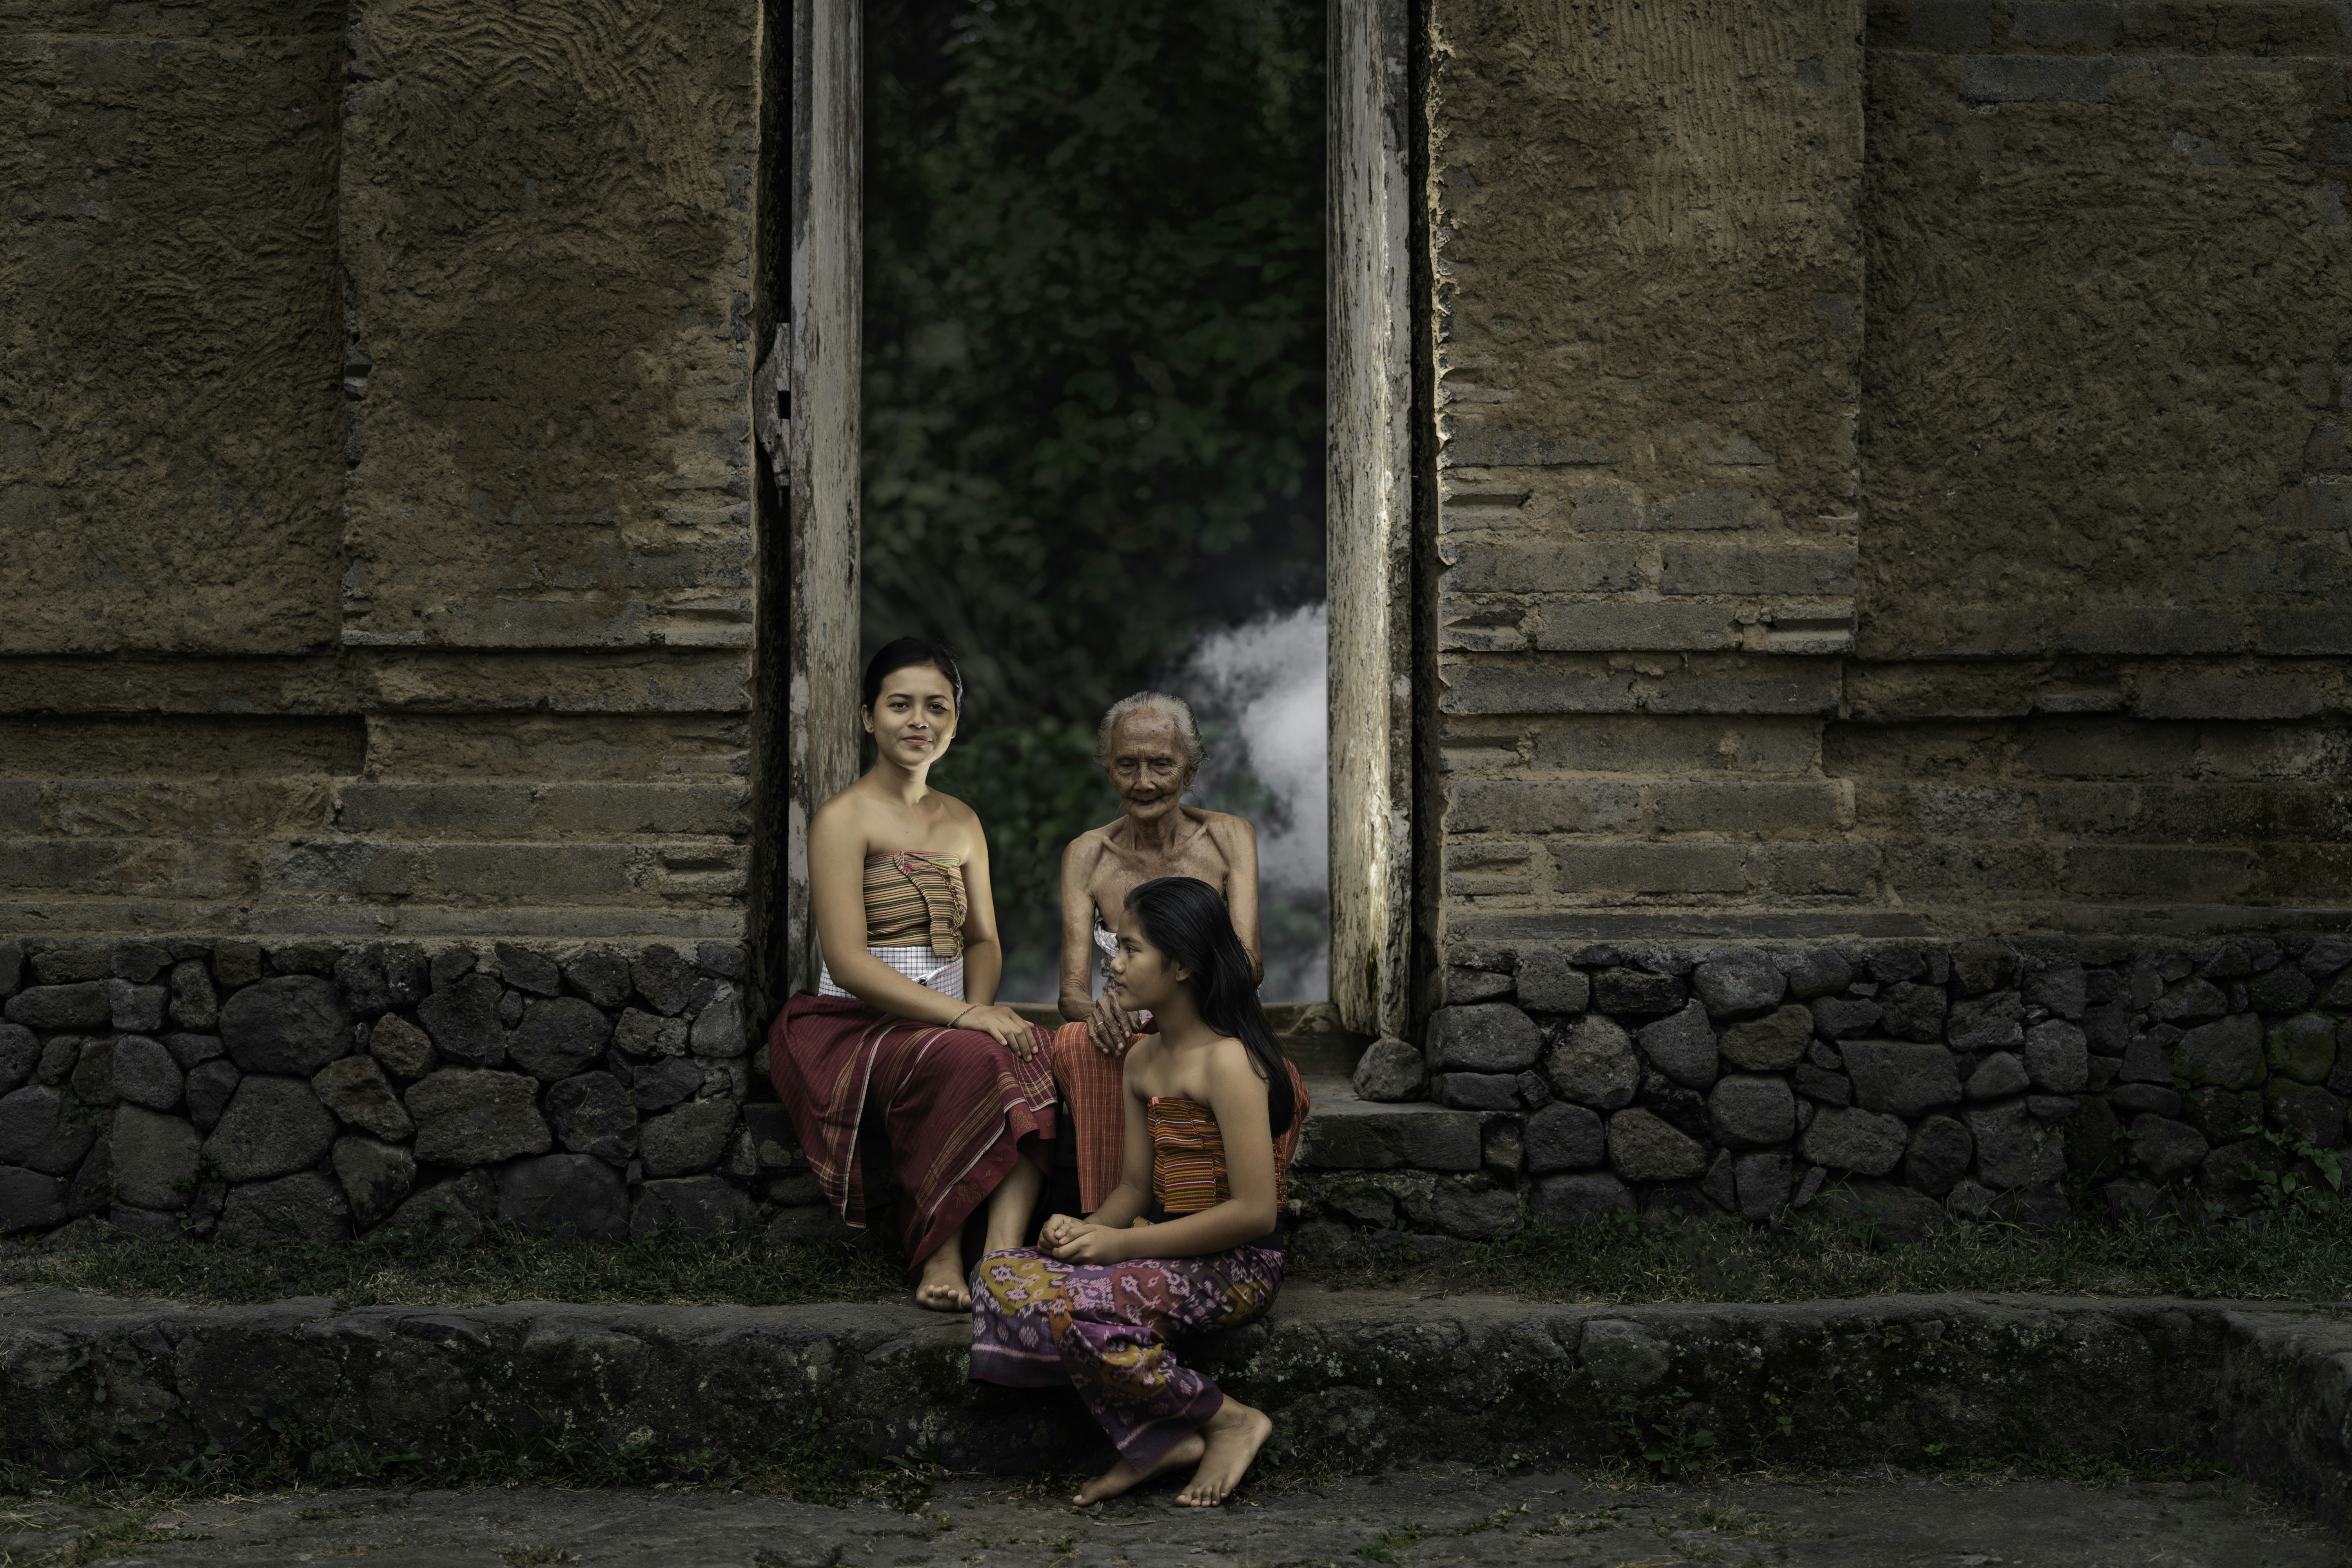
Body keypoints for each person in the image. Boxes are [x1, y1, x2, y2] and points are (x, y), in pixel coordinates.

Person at [971, 876, 1309, 1508]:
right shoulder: (1141, 1058)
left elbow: (1255, 1211)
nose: (1113, 963)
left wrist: (1122, 1247)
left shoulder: (1229, 1062)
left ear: (1181, 965)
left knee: (1076, 1309)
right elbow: (1132, 1187)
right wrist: (1087, 1227)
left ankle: (1229, 1419)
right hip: (1157, 1249)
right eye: (1113, 946)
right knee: (1001, 1276)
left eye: (1129, 949)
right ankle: (1163, 1439)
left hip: (1236, 1263)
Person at [767, 637, 1056, 1312]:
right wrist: (964, 1020)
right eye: (900, 705)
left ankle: (1002, 1255)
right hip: (855, 1022)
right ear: (869, 718)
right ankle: (940, 1250)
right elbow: (847, 961)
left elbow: (983, 938)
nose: (918, 721)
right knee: (963, 1058)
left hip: (946, 1020)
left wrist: (976, 1009)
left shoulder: (962, 822)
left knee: (1039, 1052)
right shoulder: (844, 819)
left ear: (956, 722)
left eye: (937, 707)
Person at [1051, 693, 1261, 1212]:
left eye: (1161, 765)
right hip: (1122, 1022)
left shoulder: (1228, 838)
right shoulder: (1088, 855)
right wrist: (1098, 1011)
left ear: (1189, 772)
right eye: (1127, 765)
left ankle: (1195, 1216)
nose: (1143, 782)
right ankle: (1105, 1216)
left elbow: (1250, 966)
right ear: (1109, 769)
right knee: (1080, 1042)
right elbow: (1072, 992)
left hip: (1208, 1021)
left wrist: (1175, 1009)